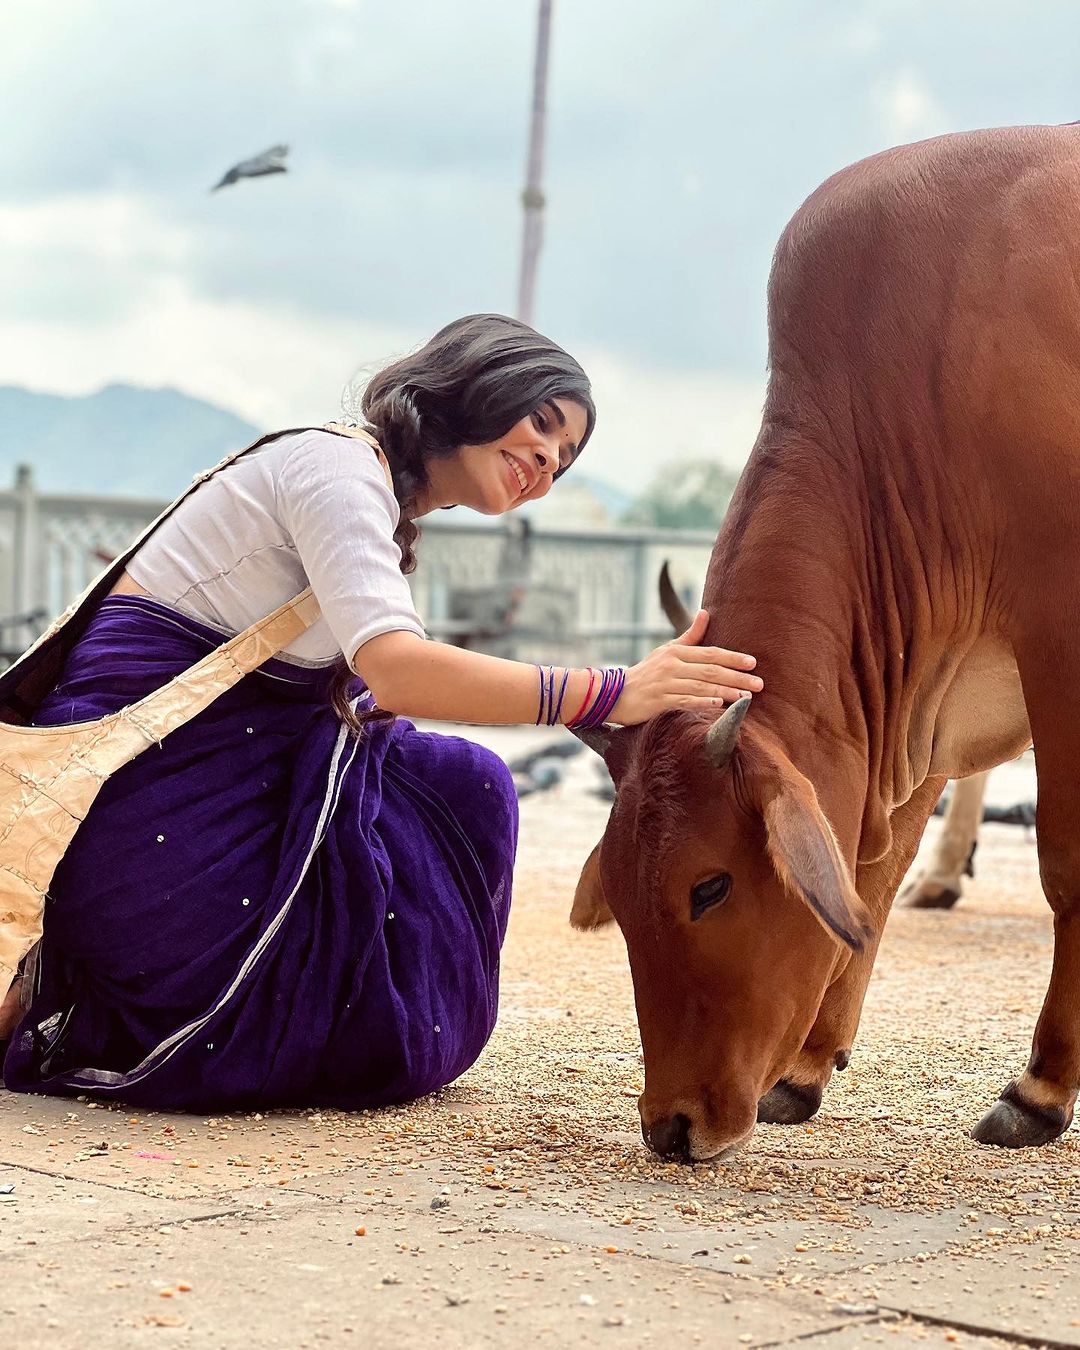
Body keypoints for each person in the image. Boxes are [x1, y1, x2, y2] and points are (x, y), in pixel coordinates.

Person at [0, 314, 761, 1112]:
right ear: (475, 384)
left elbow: (357, 701)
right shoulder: (335, 469)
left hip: (215, 788)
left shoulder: (377, 498)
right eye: (542, 424)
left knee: (457, 784)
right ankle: (110, 989)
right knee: (426, 838)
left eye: (566, 458)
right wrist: (613, 690)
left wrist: (635, 722)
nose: (547, 460)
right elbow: (394, 672)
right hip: (148, 816)